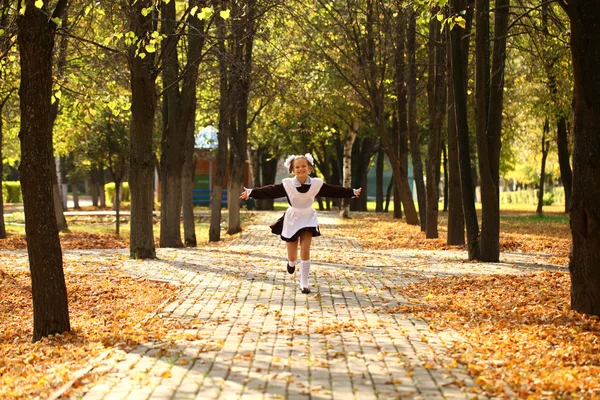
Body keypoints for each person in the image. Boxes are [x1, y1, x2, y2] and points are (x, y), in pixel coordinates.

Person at [240, 153, 361, 294]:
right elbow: (270, 191)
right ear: (292, 170)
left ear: (309, 168)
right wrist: (251, 192)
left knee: (305, 249)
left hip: (308, 217)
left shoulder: (317, 183)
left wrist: (352, 192)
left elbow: (334, 190)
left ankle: (304, 283)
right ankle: (291, 262)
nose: (300, 169)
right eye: (297, 167)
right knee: (292, 255)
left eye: (304, 166)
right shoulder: (287, 184)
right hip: (292, 218)